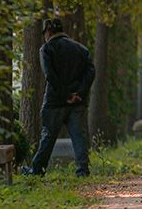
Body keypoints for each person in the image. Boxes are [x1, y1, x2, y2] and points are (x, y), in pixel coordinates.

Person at [22, 17, 96, 178]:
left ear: (48, 32)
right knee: (79, 137)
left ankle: (37, 170)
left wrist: (65, 95)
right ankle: (83, 171)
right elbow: (90, 73)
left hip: (54, 102)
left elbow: (50, 75)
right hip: (77, 102)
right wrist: (79, 93)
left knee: (48, 136)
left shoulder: (47, 49)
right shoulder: (81, 50)